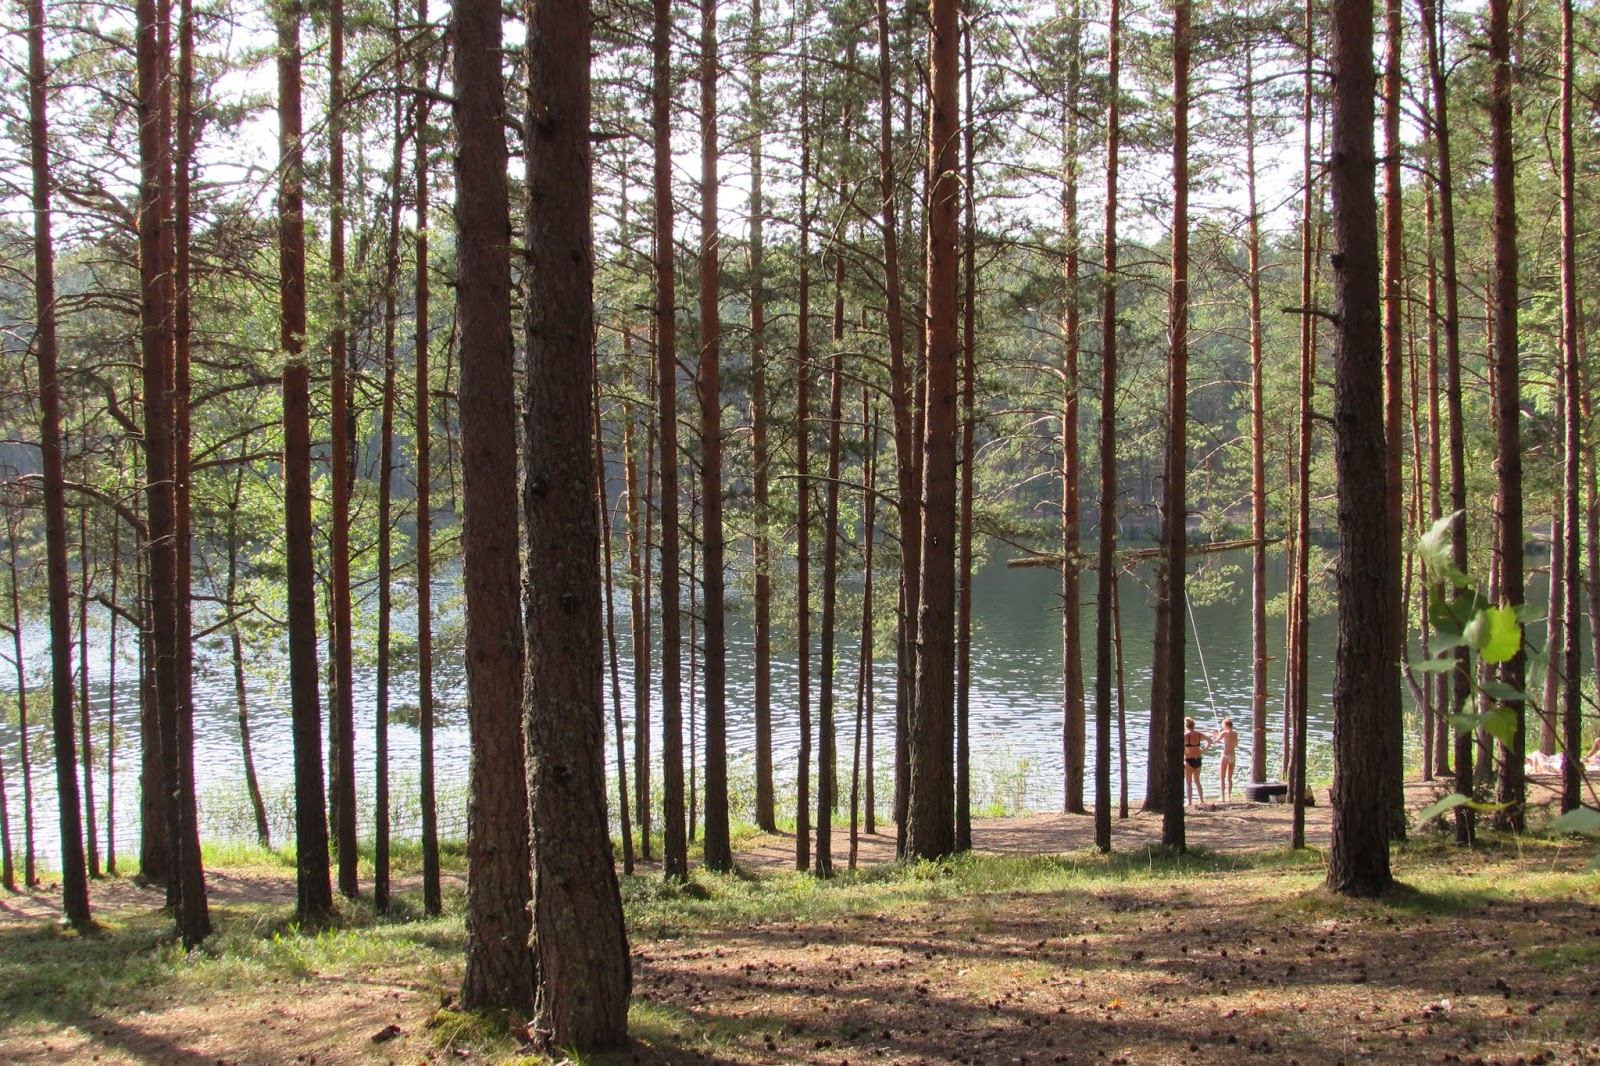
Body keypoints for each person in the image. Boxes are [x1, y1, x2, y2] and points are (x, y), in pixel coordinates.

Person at [1183, 717, 1211, 807]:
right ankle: (1201, 800)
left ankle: (1189, 802)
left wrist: (1185, 752)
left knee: (1188, 782)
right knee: (1197, 781)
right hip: (1198, 758)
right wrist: (1204, 750)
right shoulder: (1199, 735)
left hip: (1189, 759)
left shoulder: (1186, 736)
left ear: (1186, 726)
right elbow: (1210, 740)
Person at [1212, 717, 1240, 803]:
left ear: (1226, 725)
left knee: (1222, 778)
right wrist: (1219, 735)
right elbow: (1232, 743)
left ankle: (1223, 797)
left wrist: (1214, 734)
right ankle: (1229, 797)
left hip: (1225, 756)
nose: (1222, 727)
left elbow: (1215, 741)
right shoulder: (1235, 733)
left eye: (1223, 725)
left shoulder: (1224, 732)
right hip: (1233, 756)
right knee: (1229, 778)